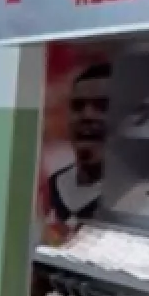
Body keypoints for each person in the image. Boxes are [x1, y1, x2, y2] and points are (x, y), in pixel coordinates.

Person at [45, 63, 111, 241]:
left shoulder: (126, 200)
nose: (87, 115)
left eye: (102, 106)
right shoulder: (51, 186)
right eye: (78, 106)